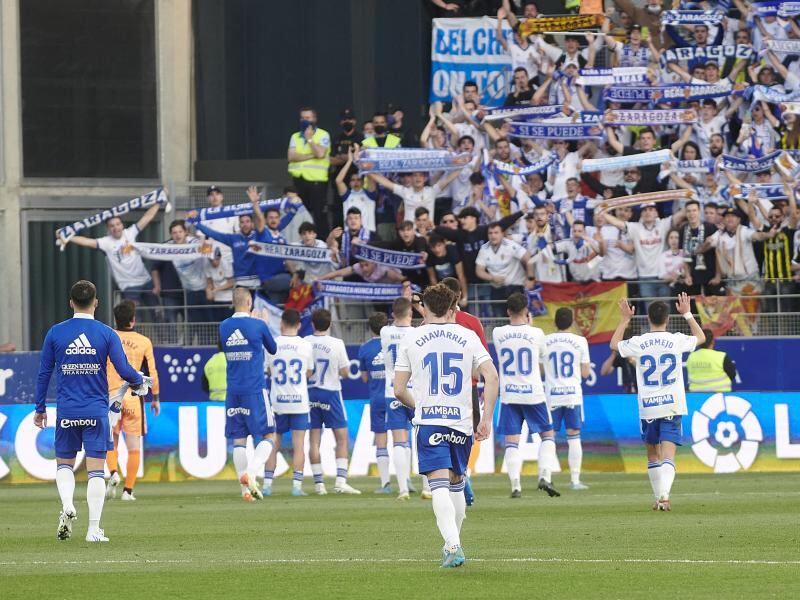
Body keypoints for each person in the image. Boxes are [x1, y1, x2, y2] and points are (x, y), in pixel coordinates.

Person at [393, 283, 499, 568]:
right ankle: (452, 542)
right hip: (462, 422)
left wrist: (421, 405)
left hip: (430, 421)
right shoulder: (469, 336)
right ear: (453, 308)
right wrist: (486, 418)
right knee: (456, 483)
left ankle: (453, 545)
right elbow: (492, 376)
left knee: (437, 484)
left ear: (424, 308)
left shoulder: (412, 339)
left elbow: (399, 390)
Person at [35, 280, 145, 542]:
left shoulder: (55, 333)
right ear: (95, 303)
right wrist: (139, 381)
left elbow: (43, 374)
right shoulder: (107, 333)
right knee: (96, 471)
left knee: (64, 465)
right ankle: (93, 530)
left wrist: (40, 408)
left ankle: (67, 506)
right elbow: (124, 370)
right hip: (96, 411)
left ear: (71, 303)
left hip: (67, 411)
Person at [610, 293, 706, 511]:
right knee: (668, 454)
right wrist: (688, 314)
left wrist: (625, 320)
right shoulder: (676, 339)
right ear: (668, 319)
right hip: (672, 404)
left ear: (647, 319)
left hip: (648, 406)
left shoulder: (639, 342)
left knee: (653, 453)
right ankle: (664, 497)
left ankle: (659, 497)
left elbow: (614, 344)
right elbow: (701, 338)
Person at [493, 292, 559, 499]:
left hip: (509, 394)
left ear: (507, 311)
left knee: (512, 441)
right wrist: (529, 327)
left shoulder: (497, 332)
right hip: (533, 394)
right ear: (526, 311)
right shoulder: (537, 333)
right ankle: (545, 476)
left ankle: (515, 486)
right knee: (547, 435)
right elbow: (541, 361)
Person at [219, 288, 278, 502]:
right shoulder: (258, 325)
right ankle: (251, 474)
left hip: (233, 389)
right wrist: (264, 322)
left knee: (239, 440)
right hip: (254, 388)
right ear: (250, 301)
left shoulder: (224, 326)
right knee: (269, 435)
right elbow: (272, 348)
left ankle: (245, 492)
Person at [58, 202, 162, 313]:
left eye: (118, 224)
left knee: (158, 312)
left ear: (122, 225)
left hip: (146, 281)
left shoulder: (130, 233)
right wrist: (67, 237)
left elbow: (147, 218)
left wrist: (159, 201)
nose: (116, 228)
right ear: (108, 228)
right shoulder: (106, 242)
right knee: (132, 316)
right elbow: (87, 241)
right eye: (112, 226)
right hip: (129, 286)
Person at [105, 300, 160, 501]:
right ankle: (128, 491)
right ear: (133, 319)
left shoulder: (108, 336)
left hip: (113, 395)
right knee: (134, 446)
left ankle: (112, 472)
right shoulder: (144, 342)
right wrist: (155, 397)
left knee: (111, 440)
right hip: (134, 396)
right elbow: (152, 372)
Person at [441, 276, 489, 506]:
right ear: (459, 295)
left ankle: (458, 480)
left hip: (438, 390)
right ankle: (462, 478)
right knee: (467, 435)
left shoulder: (429, 325)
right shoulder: (471, 322)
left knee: (442, 434)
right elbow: (484, 364)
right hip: (467, 387)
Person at [306, 309, 360, 495]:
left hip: (310, 393)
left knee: (314, 440)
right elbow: (345, 372)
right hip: (331, 393)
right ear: (330, 324)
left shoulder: (305, 342)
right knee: (342, 438)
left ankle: (319, 484)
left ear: (312, 323)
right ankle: (340, 482)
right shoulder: (337, 343)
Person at [263, 309, 314, 497]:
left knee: (272, 443)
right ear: (299, 325)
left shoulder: (273, 344)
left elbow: (268, 370)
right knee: (299, 444)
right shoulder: (305, 345)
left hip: (277, 402)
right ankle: (297, 487)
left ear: (281, 323)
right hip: (299, 401)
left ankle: (267, 485)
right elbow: (309, 372)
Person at [543, 308, 591, 491]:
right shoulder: (580, 341)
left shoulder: (545, 340)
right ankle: (575, 480)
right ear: (572, 323)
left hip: (552, 395)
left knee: (549, 438)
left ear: (555, 322)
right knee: (574, 437)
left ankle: (546, 477)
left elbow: (540, 369)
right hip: (572, 395)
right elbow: (586, 373)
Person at [380, 297, 416, 501]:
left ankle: (403, 488)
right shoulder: (417, 333)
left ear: (393, 314)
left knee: (399, 441)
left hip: (392, 391)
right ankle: (429, 487)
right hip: (415, 392)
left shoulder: (385, 332)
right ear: (410, 314)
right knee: (421, 438)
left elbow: (392, 323)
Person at [358, 312, 392, 493]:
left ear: (369, 327)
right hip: (396, 396)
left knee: (381, 439)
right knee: (403, 439)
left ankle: (385, 484)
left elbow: (364, 378)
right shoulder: (395, 343)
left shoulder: (365, 349)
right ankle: (406, 481)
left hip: (377, 398)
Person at [475, 222, 536, 316]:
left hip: (515, 288)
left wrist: (530, 278)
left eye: (496, 233)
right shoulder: (484, 249)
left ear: (502, 234)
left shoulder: (510, 245)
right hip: (496, 289)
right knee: (499, 319)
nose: (493, 236)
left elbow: (528, 257)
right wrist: (492, 277)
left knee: (518, 318)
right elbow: (479, 271)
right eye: (490, 233)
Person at [287, 107, 331, 235]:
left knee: (319, 215)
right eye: (302, 118)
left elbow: (321, 153)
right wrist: (311, 156)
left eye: (308, 117)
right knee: (299, 214)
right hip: (299, 181)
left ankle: (322, 243)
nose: (305, 120)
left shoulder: (323, 134)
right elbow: (291, 156)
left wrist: (310, 139)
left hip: (317, 182)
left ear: (314, 119)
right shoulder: (295, 136)